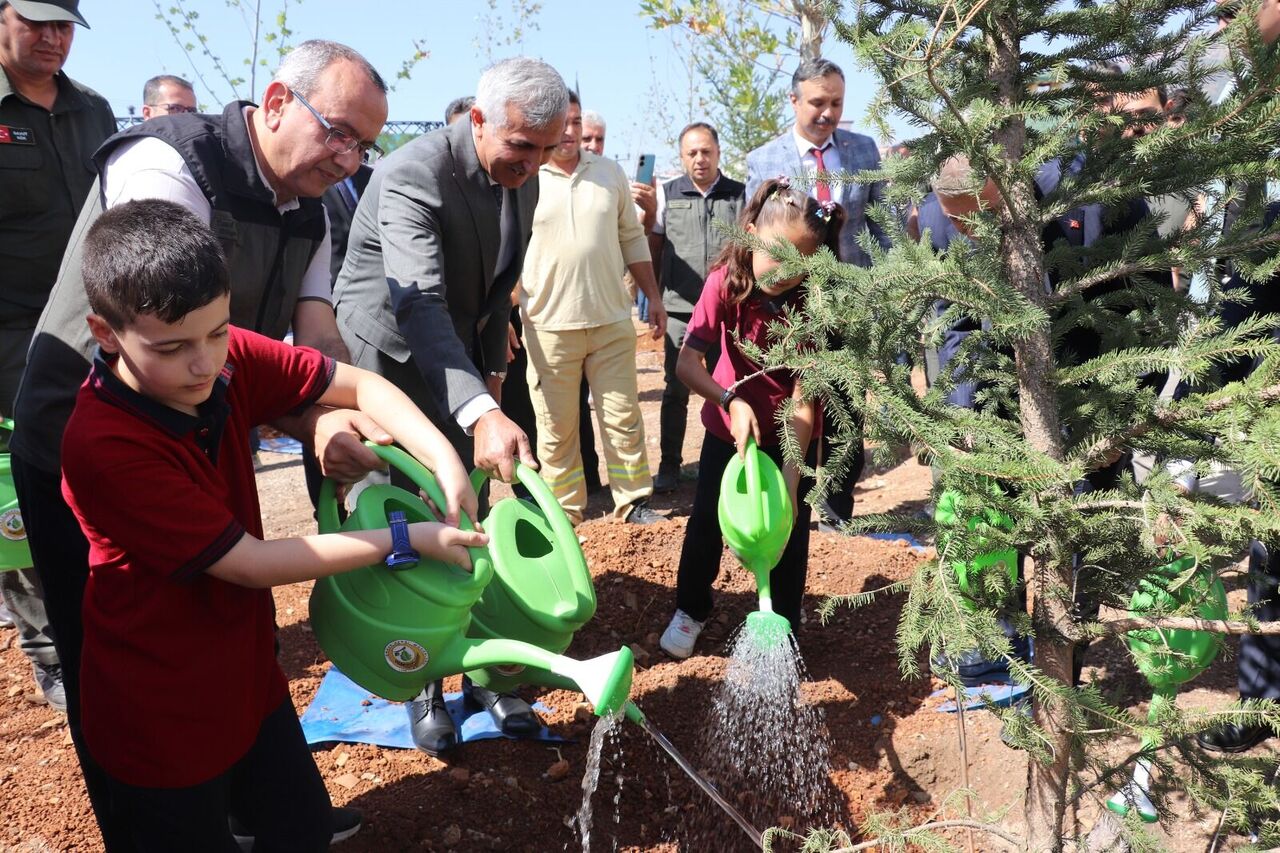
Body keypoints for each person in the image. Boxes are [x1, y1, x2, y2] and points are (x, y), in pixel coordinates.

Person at [11, 37, 390, 847]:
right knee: (115, 655)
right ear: (279, 101)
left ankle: (264, 806)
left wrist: (329, 412)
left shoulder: (315, 205)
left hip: (202, 425)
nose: (350, 156)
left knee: (225, 619)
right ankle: (157, 820)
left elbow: (314, 336)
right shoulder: (169, 166)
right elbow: (174, 330)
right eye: (339, 132)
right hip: (92, 439)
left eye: (365, 142)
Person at [62, 199, 484, 851]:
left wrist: (444, 460)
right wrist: (406, 540)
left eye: (218, 331)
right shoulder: (105, 442)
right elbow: (251, 561)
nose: (204, 364)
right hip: (159, 708)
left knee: (302, 830)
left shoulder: (220, 360)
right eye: (172, 347)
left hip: (247, 674)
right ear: (106, 332)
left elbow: (364, 388)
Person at [333, 56, 567, 756]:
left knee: (469, 507)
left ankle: (486, 671)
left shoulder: (520, 179)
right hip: (392, 357)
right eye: (521, 146)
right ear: (478, 121)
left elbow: (496, 293)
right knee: (412, 510)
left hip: (460, 350)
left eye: (547, 149)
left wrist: (491, 377)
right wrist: (475, 410)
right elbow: (417, 302)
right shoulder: (412, 173)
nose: (532, 163)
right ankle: (426, 675)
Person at [659, 179, 841, 658]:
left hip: (790, 432)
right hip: (729, 431)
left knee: (790, 527)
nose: (782, 275)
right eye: (774, 256)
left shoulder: (817, 302)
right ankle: (692, 608)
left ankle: (781, 625)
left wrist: (790, 477)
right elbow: (686, 364)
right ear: (751, 233)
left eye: (797, 265)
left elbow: (805, 395)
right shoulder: (725, 281)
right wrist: (730, 401)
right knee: (707, 522)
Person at [0, 0, 113, 715]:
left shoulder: (95, 111)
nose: (52, 38)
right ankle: (50, 650)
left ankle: (100, 625)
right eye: (37, 21)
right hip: (8, 339)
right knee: (18, 499)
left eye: (64, 25)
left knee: (93, 481)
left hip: (91, 331)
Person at [745, 57, 890, 530]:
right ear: (794, 101)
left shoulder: (864, 152)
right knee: (794, 406)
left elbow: (883, 227)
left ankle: (834, 512)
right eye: (817, 102)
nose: (827, 112)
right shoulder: (763, 161)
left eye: (837, 103)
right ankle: (788, 503)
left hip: (851, 304)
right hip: (791, 309)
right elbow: (751, 240)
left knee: (846, 412)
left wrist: (885, 286)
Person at [517, 91, 667, 526]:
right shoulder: (526, 177)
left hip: (611, 322)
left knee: (623, 419)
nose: (569, 131)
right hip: (548, 327)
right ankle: (565, 515)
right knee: (557, 430)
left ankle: (633, 501)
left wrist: (653, 297)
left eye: (576, 121)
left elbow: (632, 238)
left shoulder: (610, 173)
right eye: (561, 122)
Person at [648, 121, 745, 493]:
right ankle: (669, 466)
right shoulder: (667, 194)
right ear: (682, 156)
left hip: (727, 308)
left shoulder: (739, 195)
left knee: (729, 386)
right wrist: (655, 298)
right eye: (692, 153)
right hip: (680, 309)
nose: (700, 159)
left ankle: (730, 462)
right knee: (675, 389)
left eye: (706, 151)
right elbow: (655, 247)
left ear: (718, 153)